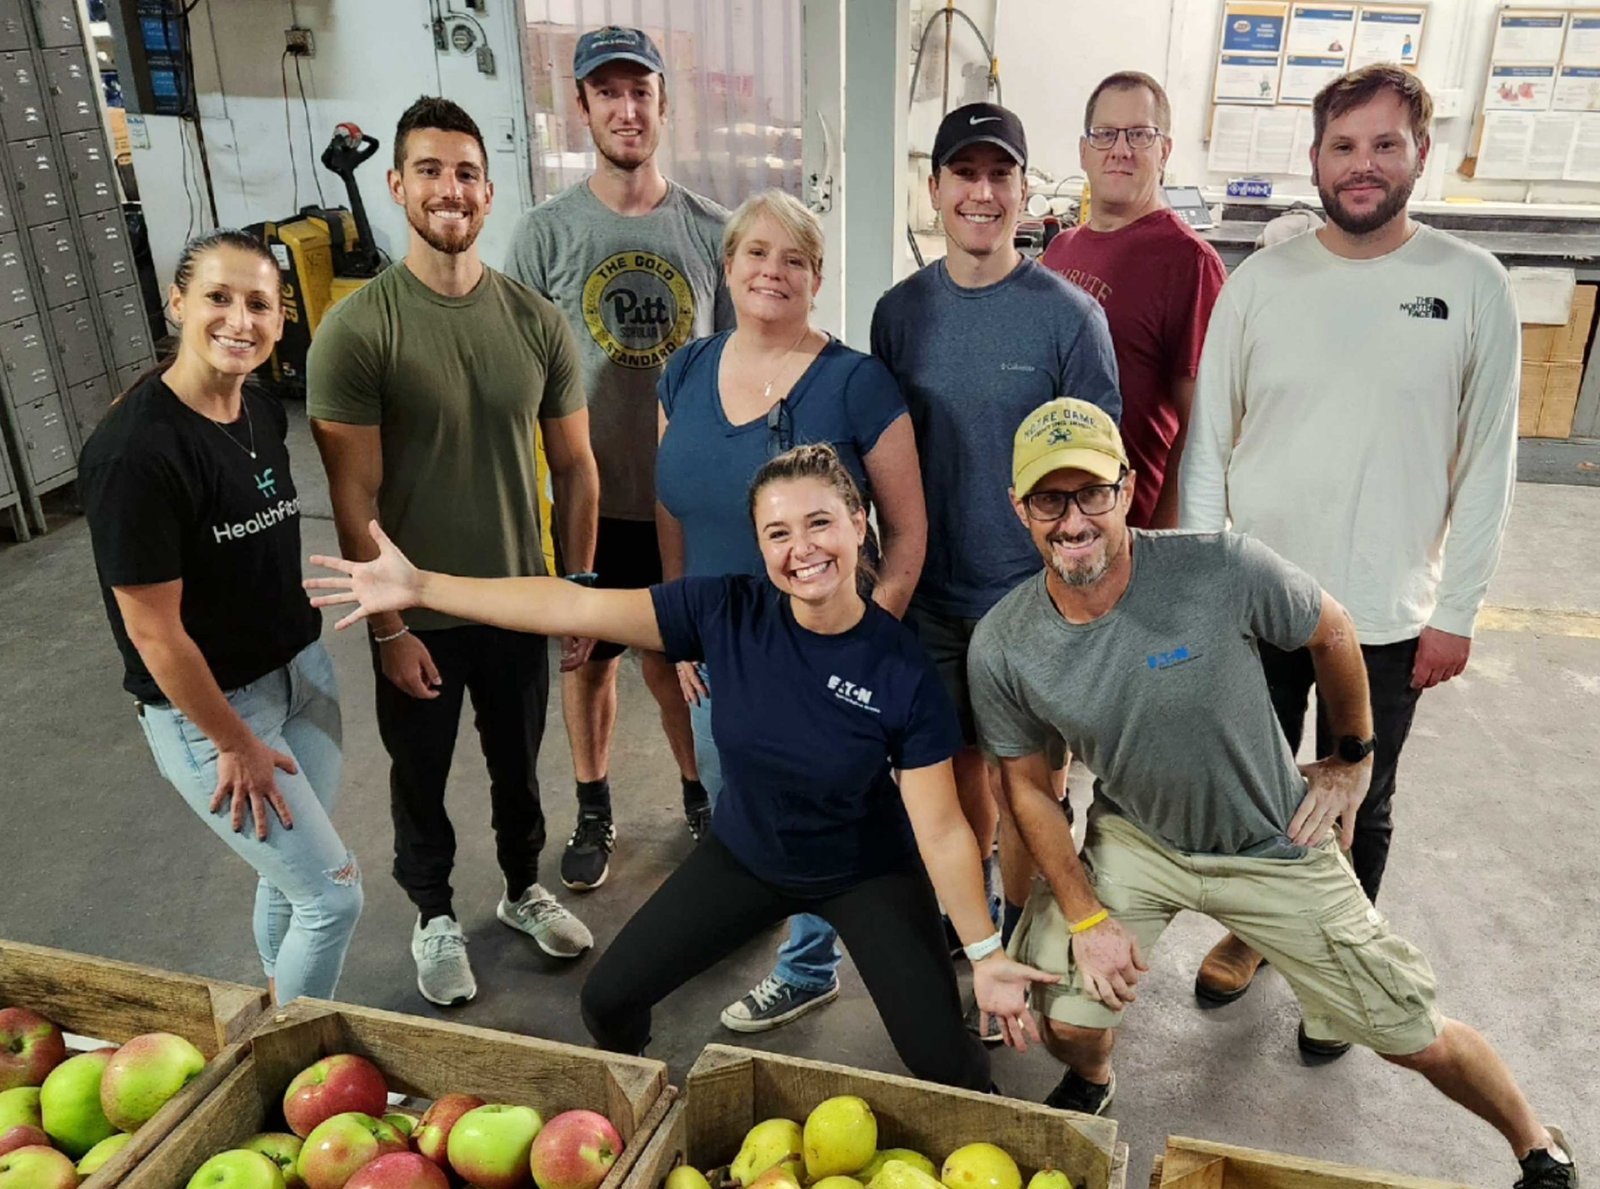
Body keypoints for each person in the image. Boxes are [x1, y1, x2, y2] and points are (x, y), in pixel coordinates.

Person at [967, 398, 1578, 1189]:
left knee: (1408, 1033)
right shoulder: (1005, 643)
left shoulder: (1220, 567)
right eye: (1051, 500)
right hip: (1140, 839)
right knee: (1069, 1019)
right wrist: (1083, 919)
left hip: (1271, 839)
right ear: (1020, 508)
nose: (1073, 520)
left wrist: (1353, 757)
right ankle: (1095, 1076)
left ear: (1128, 489)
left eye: (1092, 494)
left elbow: (1334, 629)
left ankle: (1538, 1143)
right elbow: (1025, 789)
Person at [309, 444, 1050, 1092]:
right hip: (747, 856)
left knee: (947, 1064)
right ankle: (648, 1110)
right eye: (778, 533)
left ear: (859, 524)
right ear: (759, 546)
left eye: (820, 523)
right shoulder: (727, 611)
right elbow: (573, 607)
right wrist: (423, 588)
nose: (802, 549)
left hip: (866, 873)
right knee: (607, 1001)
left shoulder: (901, 669)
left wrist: (985, 952)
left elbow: (941, 829)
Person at [1179, 64, 1520, 1053]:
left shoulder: (1472, 284)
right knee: (1256, 785)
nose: (1361, 165)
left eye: (1383, 145)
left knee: (1357, 797)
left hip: (1386, 609)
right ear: (1316, 159)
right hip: (1257, 600)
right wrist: (1204, 588)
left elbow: (1488, 464)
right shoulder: (1260, 284)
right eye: (1343, 146)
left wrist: (1457, 609)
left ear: (1420, 154)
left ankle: (1342, 971)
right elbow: (1209, 445)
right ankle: (1254, 930)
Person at [307, 96, 597, 1008]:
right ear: (397, 185)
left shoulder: (536, 321)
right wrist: (389, 630)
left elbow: (577, 469)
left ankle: (520, 889)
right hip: (417, 614)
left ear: (489, 191)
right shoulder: (358, 329)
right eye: (429, 170)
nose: (450, 189)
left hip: (514, 599)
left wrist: (578, 593)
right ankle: (432, 913)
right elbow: (352, 497)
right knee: (420, 774)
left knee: (520, 765)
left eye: (467, 173)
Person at [657, 189, 927, 1035]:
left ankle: (809, 967)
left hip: (822, 653)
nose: (773, 271)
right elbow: (674, 508)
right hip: (719, 649)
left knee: (824, 821)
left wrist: (865, 643)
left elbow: (907, 530)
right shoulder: (686, 371)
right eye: (756, 252)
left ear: (817, 277)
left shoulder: (855, 383)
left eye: (796, 259)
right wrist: (676, 629)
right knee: (741, 805)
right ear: (728, 265)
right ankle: (757, 922)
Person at [871, 102, 1120, 1022]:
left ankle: (1023, 932)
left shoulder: (1070, 320)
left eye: (1000, 174)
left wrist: (1083, 601)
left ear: (1023, 189)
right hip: (933, 596)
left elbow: (1098, 478)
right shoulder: (899, 314)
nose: (982, 193)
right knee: (960, 770)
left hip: (1032, 605)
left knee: (1032, 786)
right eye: (964, 174)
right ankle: (976, 923)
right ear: (935, 188)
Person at [81, 229, 361, 1005]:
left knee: (290, 877)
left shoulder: (261, 410)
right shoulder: (135, 454)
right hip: (215, 713)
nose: (240, 320)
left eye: (259, 304)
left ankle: (272, 1008)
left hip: (300, 675)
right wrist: (233, 741)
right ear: (177, 304)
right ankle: (286, 1059)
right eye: (218, 298)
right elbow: (152, 631)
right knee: (332, 896)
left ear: (280, 319)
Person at [505, 26, 727, 890]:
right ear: (582, 106)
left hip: (683, 503)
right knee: (587, 657)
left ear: (664, 104)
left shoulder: (711, 232)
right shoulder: (544, 235)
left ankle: (702, 798)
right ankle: (594, 806)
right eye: (608, 93)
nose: (626, 109)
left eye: (641, 92)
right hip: (585, 502)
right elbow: (518, 381)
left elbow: (737, 374)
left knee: (677, 663)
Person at [1042, 70, 1224, 529]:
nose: (1120, 150)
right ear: (1083, 151)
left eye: (1139, 134)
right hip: (1056, 524)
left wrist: (1162, 543)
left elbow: (1204, 428)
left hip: (1133, 530)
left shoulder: (1189, 262)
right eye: (1104, 134)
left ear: (1165, 150)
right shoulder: (1061, 250)